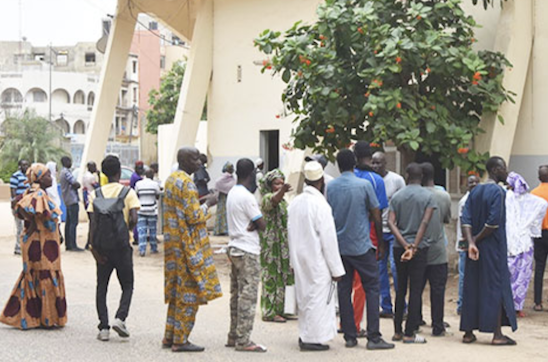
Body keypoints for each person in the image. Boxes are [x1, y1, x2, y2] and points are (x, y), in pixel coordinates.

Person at [327, 149, 393, 350]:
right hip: (362, 245)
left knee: (344, 290)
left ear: (338, 165)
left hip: (340, 246)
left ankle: (350, 335)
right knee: (372, 288)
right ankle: (373, 336)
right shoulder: (364, 185)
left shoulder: (331, 187)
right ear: (354, 163)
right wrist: (380, 243)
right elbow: (376, 214)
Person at [162, 147, 222, 352]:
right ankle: (181, 340)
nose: (199, 163)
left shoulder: (171, 180)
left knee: (177, 292)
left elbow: (183, 209)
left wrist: (198, 203)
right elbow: (194, 217)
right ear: (185, 161)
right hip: (187, 246)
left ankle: (170, 335)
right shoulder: (187, 183)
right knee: (189, 293)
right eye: (195, 159)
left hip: (173, 245)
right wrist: (210, 204)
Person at [288, 161, 345, 351]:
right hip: (317, 259)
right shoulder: (321, 205)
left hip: (300, 258)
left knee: (305, 297)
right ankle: (311, 338)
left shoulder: (295, 202)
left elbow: (289, 233)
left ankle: (305, 334)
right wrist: (336, 269)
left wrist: (292, 260)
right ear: (321, 180)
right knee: (318, 299)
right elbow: (329, 240)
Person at [1, 163, 67, 329]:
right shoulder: (38, 195)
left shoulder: (32, 193)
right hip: (41, 244)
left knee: (35, 275)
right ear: (38, 178)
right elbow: (32, 213)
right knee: (45, 275)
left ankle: (36, 316)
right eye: (46, 175)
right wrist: (33, 228)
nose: (50, 178)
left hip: (39, 243)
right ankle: (47, 317)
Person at [460, 156, 517, 345]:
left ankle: (468, 332)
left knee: (472, 285)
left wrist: (471, 243)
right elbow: (493, 223)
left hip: (474, 249)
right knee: (495, 287)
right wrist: (476, 240)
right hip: (493, 247)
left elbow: (465, 219)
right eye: (503, 168)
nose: (506, 171)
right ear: (495, 169)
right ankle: (497, 335)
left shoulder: (474, 192)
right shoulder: (498, 192)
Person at [88, 155, 140, 342]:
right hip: (122, 247)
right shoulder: (128, 193)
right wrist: (127, 230)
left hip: (102, 249)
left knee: (102, 287)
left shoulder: (96, 194)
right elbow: (134, 218)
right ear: (119, 172)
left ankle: (103, 328)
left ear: (103, 173)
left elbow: (93, 224)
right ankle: (120, 317)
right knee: (127, 285)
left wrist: (94, 249)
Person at [388, 163, 435, 344]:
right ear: (421, 176)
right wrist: (414, 246)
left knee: (400, 289)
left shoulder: (397, 197)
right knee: (415, 290)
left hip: (399, 248)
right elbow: (424, 222)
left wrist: (404, 244)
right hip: (419, 249)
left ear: (407, 175)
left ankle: (397, 331)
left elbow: (391, 223)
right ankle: (410, 333)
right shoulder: (428, 197)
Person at [226, 158, 267, 352]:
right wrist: (255, 223)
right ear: (251, 174)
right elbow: (262, 224)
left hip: (234, 247)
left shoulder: (232, 193)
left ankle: (233, 335)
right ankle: (243, 340)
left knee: (236, 294)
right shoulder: (247, 197)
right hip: (248, 249)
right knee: (248, 296)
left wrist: (253, 222)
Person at [353, 141, 389, 332]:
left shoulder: (345, 177)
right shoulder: (375, 180)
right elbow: (378, 214)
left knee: (346, 282)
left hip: (344, 233)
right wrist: (381, 243)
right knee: (363, 283)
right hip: (367, 233)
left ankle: (349, 323)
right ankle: (356, 324)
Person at [505, 172, 547, 317]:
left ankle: (537, 302)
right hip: (527, 240)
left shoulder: (508, 198)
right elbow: (542, 206)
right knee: (523, 273)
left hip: (513, 241)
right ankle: (518, 305)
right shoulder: (533, 199)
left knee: (538, 268)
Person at [372, 151, 406, 317]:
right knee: (380, 270)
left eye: (379, 163)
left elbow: (404, 203)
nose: (376, 166)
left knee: (395, 267)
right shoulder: (370, 180)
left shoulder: (397, 180)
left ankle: (402, 306)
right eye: (374, 163)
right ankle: (386, 307)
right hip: (377, 232)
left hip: (394, 231)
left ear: (386, 163)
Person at [420, 162, 452, 336]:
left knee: (417, 288)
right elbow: (446, 219)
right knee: (438, 289)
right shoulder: (444, 196)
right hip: (438, 248)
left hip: (417, 248)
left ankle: (416, 320)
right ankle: (437, 325)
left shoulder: (414, 196)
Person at [258, 169, 294, 323]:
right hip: (271, 245)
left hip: (282, 245)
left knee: (282, 276)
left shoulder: (284, 202)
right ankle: (269, 311)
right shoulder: (266, 198)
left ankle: (280, 309)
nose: (279, 186)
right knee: (271, 277)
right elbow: (273, 201)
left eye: (281, 183)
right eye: (276, 184)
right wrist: (283, 190)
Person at [456, 174, 480, 315]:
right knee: (464, 275)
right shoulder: (465, 201)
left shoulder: (476, 199)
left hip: (472, 243)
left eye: (476, 183)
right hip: (465, 244)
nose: (473, 185)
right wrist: (469, 242)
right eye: (471, 183)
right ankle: (462, 305)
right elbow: (464, 223)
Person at [531, 165, 548, 311]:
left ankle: (537, 302)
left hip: (539, 234)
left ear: (539, 177)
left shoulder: (534, 194)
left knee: (539, 268)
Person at [135, 169, 161, 257]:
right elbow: (157, 195)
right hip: (152, 210)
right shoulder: (155, 184)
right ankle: (153, 248)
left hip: (141, 209)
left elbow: (136, 194)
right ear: (152, 176)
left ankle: (142, 249)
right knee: (152, 230)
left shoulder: (139, 184)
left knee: (142, 230)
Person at [60, 156, 82, 251]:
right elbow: (75, 183)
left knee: (69, 223)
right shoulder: (66, 172)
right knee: (73, 222)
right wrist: (78, 185)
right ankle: (73, 245)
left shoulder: (62, 172)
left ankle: (68, 244)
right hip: (72, 199)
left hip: (67, 200)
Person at [9, 159, 30, 255]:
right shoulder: (15, 176)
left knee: (26, 227)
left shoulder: (29, 176)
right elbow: (13, 191)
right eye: (23, 165)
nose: (25, 167)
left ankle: (24, 246)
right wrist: (15, 204)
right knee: (20, 227)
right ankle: (18, 247)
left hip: (27, 205)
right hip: (19, 205)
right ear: (19, 166)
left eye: (27, 165)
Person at [214, 162, 236, 236]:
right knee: (226, 213)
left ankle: (220, 230)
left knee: (222, 214)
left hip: (223, 198)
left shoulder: (229, 177)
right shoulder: (227, 177)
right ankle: (225, 229)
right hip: (225, 198)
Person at [83, 161, 99, 250]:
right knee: (93, 223)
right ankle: (90, 242)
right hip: (91, 200)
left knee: (92, 223)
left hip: (86, 200)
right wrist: (99, 176)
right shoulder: (91, 177)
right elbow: (97, 186)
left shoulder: (84, 176)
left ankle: (89, 241)